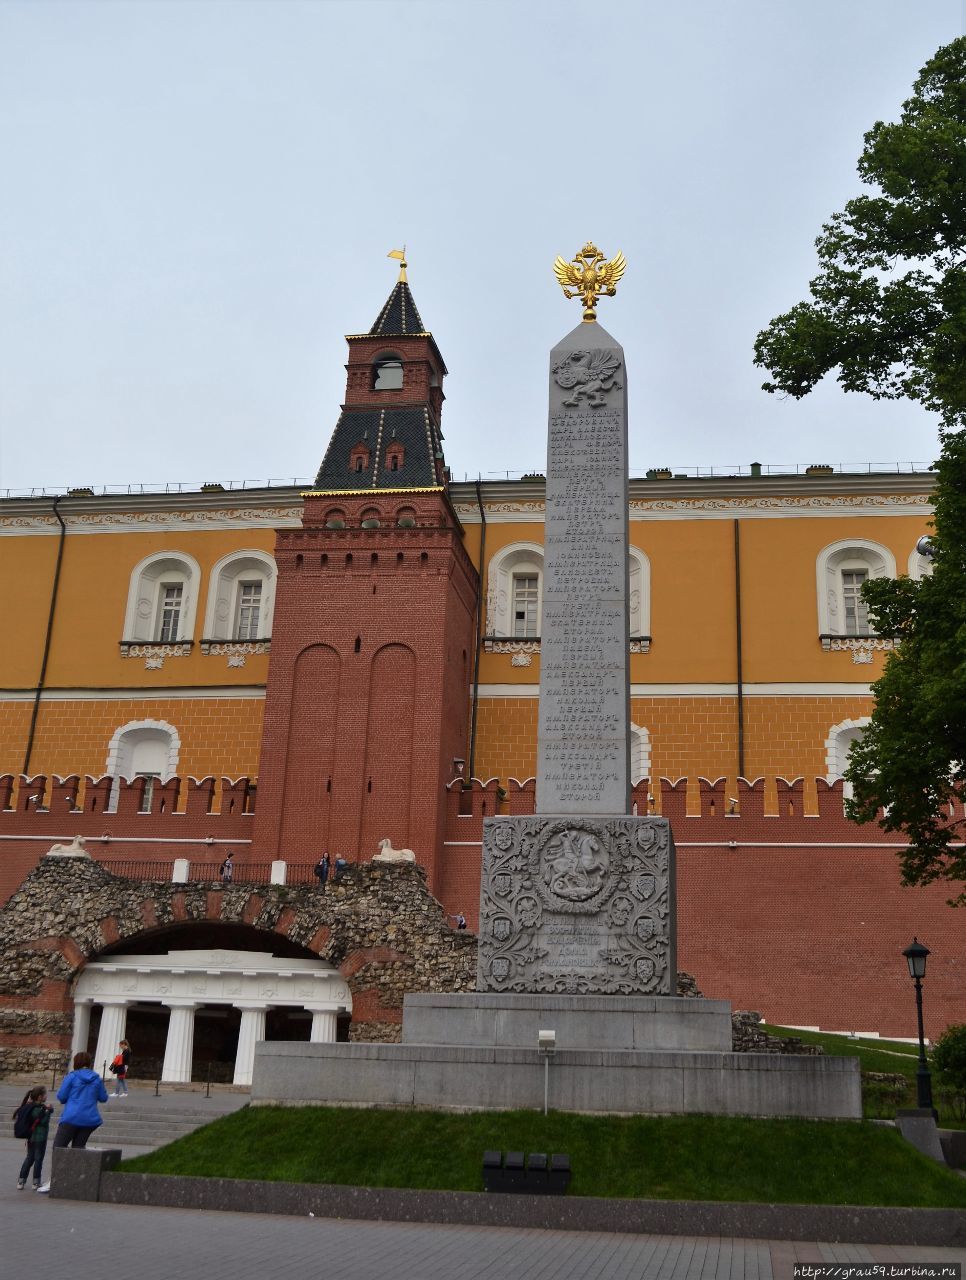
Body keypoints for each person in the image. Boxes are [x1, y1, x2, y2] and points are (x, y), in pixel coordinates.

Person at [52, 1051, 108, 1151]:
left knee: (58, 1148)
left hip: (71, 1117)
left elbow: (62, 1097)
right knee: (78, 1149)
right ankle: (76, 1166)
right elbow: (103, 1098)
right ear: (89, 1062)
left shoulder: (72, 1076)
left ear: (76, 1062)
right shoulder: (96, 1078)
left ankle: (63, 1167)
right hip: (90, 1119)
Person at [14, 1085, 53, 1190]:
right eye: (45, 1094)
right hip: (40, 1138)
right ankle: (36, 1182)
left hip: (31, 1137)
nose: (46, 1096)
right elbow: (43, 1122)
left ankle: (21, 1181)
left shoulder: (29, 1106)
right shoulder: (38, 1109)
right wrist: (49, 1112)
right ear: (40, 1097)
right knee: (38, 1159)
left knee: (29, 1158)